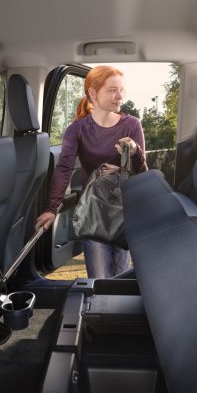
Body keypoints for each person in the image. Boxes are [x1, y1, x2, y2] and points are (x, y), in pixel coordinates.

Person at [35, 65, 147, 279]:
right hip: (93, 212)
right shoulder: (77, 130)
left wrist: (134, 152)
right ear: (93, 93)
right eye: (112, 90)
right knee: (99, 280)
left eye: (121, 90)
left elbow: (141, 174)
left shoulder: (132, 125)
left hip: (124, 212)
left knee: (120, 279)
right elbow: (64, 168)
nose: (120, 96)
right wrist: (51, 208)